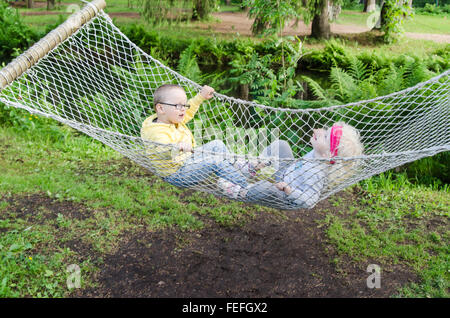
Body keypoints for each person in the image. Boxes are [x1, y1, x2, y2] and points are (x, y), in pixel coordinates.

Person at [141, 84, 249, 198]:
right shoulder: (156, 132)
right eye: (178, 105)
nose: (183, 109)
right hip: (177, 174)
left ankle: (236, 172)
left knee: (217, 144)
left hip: (187, 160)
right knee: (214, 161)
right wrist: (176, 147)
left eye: (184, 104)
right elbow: (162, 151)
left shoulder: (171, 118)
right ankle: (245, 185)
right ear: (161, 108)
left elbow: (189, 111)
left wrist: (200, 96)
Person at [245, 122, 363, 208]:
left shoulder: (317, 174)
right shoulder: (319, 154)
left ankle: (242, 190)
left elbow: (310, 201)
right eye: (326, 131)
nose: (322, 132)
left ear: (329, 155)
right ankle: (253, 167)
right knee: (282, 145)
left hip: (284, 195)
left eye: (326, 136)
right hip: (287, 172)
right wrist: (320, 137)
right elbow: (322, 147)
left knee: (265, 188)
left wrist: (288, 190)